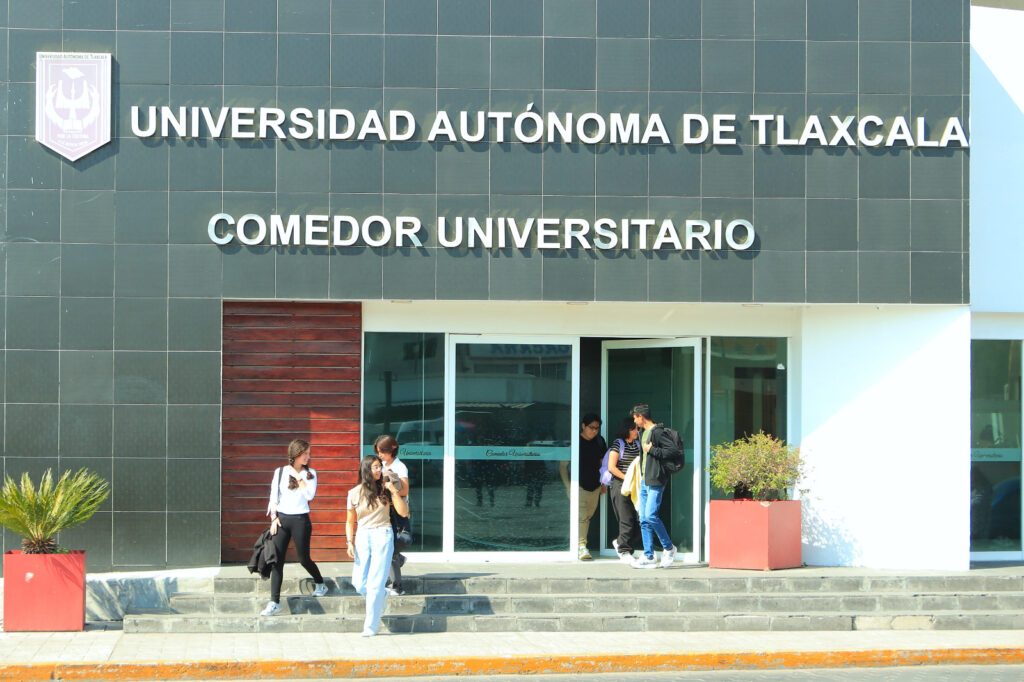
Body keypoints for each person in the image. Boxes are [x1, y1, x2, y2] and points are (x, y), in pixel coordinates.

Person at [261, 439, 328, 616]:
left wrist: (299, 478)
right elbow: (273, 496)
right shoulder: (280, 472)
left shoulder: (311, 474)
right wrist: (273, 518)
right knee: (277, 561)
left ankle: (320, 583)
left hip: (300, 519)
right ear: (295, 454)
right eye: (304, 453)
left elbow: (309, 495)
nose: (308, 457)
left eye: (309, 453)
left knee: (304, 559)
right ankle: (275, 602)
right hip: (281, 520)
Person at [347, 454, 410, 636]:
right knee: (359, 583)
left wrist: (393, 490)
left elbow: (403, 512)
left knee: (375, 583)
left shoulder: (385, 488)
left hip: (383, 534)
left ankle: (370, 627)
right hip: (362, 535)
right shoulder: (354, 492)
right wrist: (349, 542)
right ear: (366, 469)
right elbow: (349, 521)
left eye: (380, 467)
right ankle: (382, 595)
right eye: (375, 467)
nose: (379, 470)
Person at [631, 403, 680, 569]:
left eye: (635, 418)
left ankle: (669, 548)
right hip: (644, 480)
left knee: (651, 515)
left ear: (641, 417)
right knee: (644, 519)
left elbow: (673, 451)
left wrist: (652, 450)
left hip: (656, 479)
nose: (634, 421)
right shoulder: (642, 433)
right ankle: (649, 555)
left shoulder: (657, 432)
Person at [560, 413, 606, 560]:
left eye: (597, 428)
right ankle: (581, 546)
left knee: (587, 517)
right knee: (582, 518)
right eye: (591, 427)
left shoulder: (599, 441)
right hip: (578, 486)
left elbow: (602, 464)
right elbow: (563, 465)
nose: (594, 431)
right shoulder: (575, 442)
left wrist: (603, 482)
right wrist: (568, 486)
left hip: (595, 486)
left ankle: (579, 545)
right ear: (583, 426)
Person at [374, 434, 411, 597]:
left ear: (392, 450)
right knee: (389, 546)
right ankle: (397, 578)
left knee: (399, 541)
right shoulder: (379, 465)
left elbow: (405, 490)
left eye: (383, 451)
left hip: (397, 508)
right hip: (383, 509)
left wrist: (389, 487)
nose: (380, 454)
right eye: (378, 451)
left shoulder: (399, 466)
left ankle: (397, 585)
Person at [607, 417, 642, 564]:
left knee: (639, 520)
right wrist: (627, 478)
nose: (637, 431)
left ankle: (620, 542)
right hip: (620, 485)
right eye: (634, 429)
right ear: (627, 430)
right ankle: (624, 550)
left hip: (634, 486)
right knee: (626, 519)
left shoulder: (637, 444)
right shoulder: (618, 444)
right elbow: (611, 467)